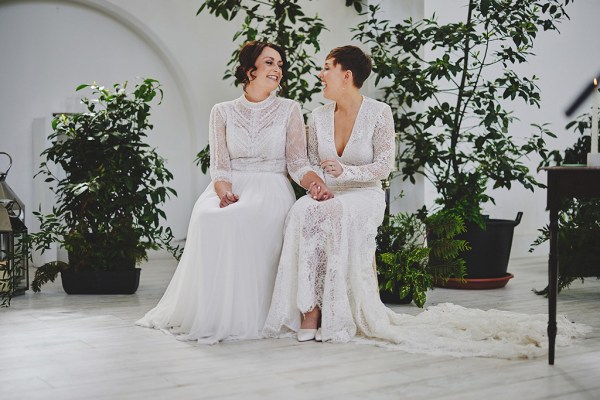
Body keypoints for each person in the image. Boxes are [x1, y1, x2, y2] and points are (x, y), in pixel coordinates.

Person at [262, 45, 589, 359]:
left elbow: (383, 166)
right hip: (329, 194)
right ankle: (309, 308)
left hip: (364, 195)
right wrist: (319, 185)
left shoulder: (379, 113)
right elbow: (311, 164)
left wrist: (344, 172)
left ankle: (332, 313)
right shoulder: (317, 117)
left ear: (346, 75)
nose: (321, 74)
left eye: (327, 68)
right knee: (302, 210)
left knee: (331, 212)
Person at [136, 40, 332, 344]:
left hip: (271, 188)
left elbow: (297, 163)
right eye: (269, 62)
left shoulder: (289, 110)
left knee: (242, 219)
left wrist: (314, 183)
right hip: (232, 186)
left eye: (280, 64)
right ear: (249, 69)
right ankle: (214, 313)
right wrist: (224, 192)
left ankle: (251, 316)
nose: (277, 69)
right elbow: (220, 167)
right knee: (208, 217)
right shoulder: (222, 112)